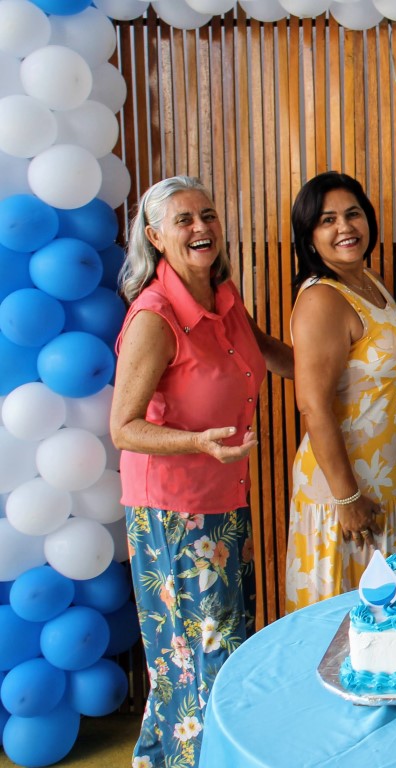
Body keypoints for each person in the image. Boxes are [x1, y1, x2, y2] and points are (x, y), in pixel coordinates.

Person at [110, 176, 293, 767]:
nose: (200, 228)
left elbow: (265, 351)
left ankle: (157, 759)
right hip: (174, 511)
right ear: (155, 236)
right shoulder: (154, 316)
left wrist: (337, 370)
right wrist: (196, 443)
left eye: (208, 215)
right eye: (184, 220)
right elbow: (124, 427)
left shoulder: (223, 295)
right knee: (203, 656)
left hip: (225, 499)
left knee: (197, 652)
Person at [283, 172, 396, 612]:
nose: (345, 227)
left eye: (353, 214)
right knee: (340, 627)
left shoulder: (368, 282)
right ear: (309, 236)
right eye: (328, 220)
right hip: (345, 496)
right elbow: (313, 404)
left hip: (384, 485)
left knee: (384, 623)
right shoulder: (322, 298)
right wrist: (348, 498)